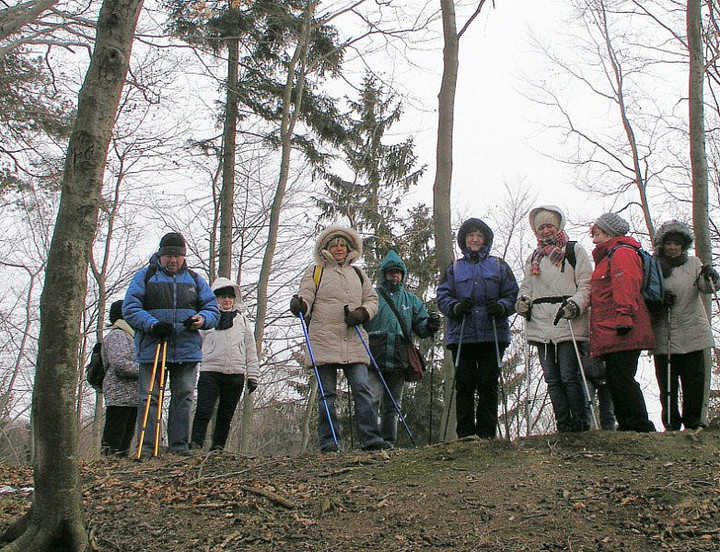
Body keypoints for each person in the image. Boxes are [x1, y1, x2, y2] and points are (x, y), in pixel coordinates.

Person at [289, 225, 390, 453]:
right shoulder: (316, 271)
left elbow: (372, 300)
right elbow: (306, 295)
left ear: (349, 248)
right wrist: (299, 305)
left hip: (353, 338)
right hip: (323, 338)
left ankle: (371, 439)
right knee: (327, 394)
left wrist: (362, 313)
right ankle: (329, 442)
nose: (339, 248)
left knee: (363, 389)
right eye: (334, 245)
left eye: (343, 245)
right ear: (325, 248)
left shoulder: (358, 273)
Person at [123, 232, 220, 457]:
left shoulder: (195, 280)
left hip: (186, 348)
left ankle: (179, 447)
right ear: (160, 254)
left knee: (184, 396)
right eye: (168, 255)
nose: (173, 260)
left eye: (177, 256)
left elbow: (212, 309)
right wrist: (153, 325)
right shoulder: (144, 277)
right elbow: (130, 308)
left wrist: (202, 319)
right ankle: (146, 448)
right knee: (149, 396)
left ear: (184, 257)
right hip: (153, 347)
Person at [437, 218, 519, 439]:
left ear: (486, 240)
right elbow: (442, 296)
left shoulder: (499, 265)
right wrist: (455, 307)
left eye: (479, 236)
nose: (475, 239)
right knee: (464, 383)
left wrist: (501, 307)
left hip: (492, 332)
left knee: (488, 383)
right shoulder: (454, 268)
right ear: (464, 241)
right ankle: (465, 434)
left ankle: (486, 433)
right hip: (462, 333)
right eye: (471, 236)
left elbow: (513, 294)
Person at [515, 206, 592, 433]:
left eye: (549, 225)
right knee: (552, 378)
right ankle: (563, 424)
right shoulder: (534, 258)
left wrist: (575, 305)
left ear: (558, 226)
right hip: (540, 322)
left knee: (569, 374)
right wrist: (523, 301)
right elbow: (526, 287)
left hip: (567, 318)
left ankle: (580, 424)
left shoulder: (574, 251)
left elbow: (586, 285)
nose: (546, 230)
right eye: (541, 227)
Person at [364, 250, 441, 445]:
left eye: (398, 272)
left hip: (399, 355)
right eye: (390, 272)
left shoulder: (411, 300)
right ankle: (370, 440)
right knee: (371, 398)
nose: (394, 276)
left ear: (403, 275)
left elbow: (421, 326)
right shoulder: (372, 296)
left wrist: (430, 325)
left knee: (393, 403)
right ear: (384, 274)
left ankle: (389, 440)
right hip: (373, 353)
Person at [589, 213, 655, 432]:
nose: (594, 239)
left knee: (622, 376)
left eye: (597, 234)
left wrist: (624, 317)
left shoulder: (621, 253)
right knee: (616, 377)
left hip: (623, 327)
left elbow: (625, 284)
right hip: (612, 327)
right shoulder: (610, 254)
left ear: (609, 233)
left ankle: (639, 425)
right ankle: (628, 424)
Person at [651, 220, 719, 431]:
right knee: (667, 382)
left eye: (677, 243)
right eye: (669, 243)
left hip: (693, 330)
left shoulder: (693, 264)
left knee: (694, 381)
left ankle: (694, 421)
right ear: (662, 245)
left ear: (683, 245)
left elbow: (707, 288)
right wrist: (660, 299)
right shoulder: (653, 265)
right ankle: (671, 421)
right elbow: (647, 292)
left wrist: (712, 277)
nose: (673, 247)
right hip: (665, 330)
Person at [190, 278, 260, 451]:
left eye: (230, 297)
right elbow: (195, 345)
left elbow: (251, 350)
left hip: (235, 373)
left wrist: (253, 376)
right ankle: (196, 443)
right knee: (204, 411)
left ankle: (218, 447)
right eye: (222, 297)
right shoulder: (206, 320)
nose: (227, 300)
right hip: (210, 371)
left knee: (226, 415)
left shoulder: (242, 322)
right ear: (215, 299)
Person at [100, 299, 139, 456]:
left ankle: (118, 467)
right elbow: (120, 364)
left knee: (124, 441)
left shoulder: (130, 336)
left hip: (131, 396)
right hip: (119, 395)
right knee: (114, 440)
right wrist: (145, 370)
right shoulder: (118, 335)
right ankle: (108, 467)